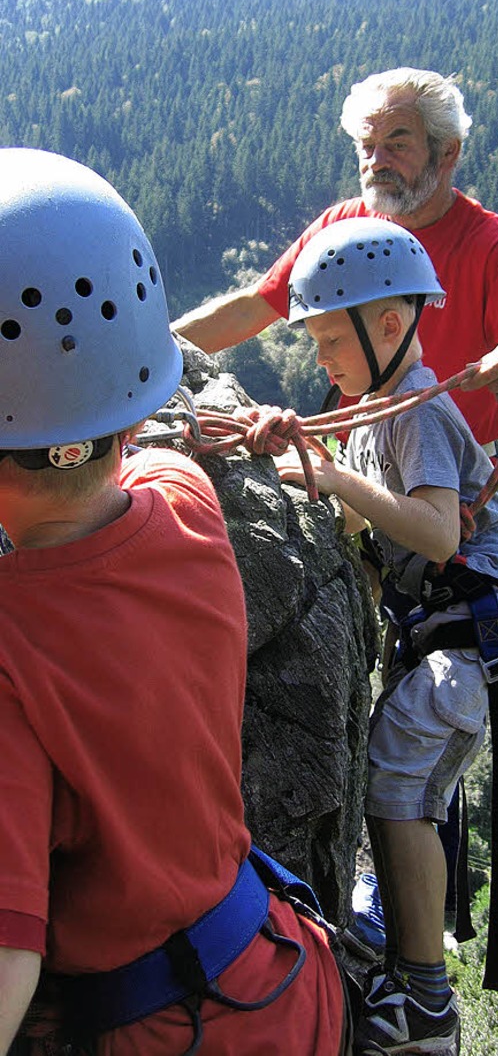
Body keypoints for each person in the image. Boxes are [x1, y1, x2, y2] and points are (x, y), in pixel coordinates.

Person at [0, 148, 348, 1056]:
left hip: (152, 1034)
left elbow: (8, 962)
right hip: (280, 982)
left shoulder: (9, 650)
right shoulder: (187, 505)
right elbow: (153, 451)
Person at [276, 216, 498, 1056]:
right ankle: (403, 947)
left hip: (476, 618)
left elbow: (433, 532)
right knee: (395, 775)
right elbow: (361, 511)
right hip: (453, 623)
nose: (321, 359)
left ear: (389, 326)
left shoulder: (415, 417)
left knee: (396, 781)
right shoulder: (374, 411)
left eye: (330, 338)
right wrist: (303, 462)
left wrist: (334, 475)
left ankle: (426, 1005)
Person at [173, 67, 498, 451]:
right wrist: (147, 349)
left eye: (397, 144)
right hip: (359, 457)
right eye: (367, 147)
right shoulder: (343, 224)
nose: (376, 163)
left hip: (449, 475)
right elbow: (254, 308)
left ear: (447, 153)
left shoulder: (492, 249)